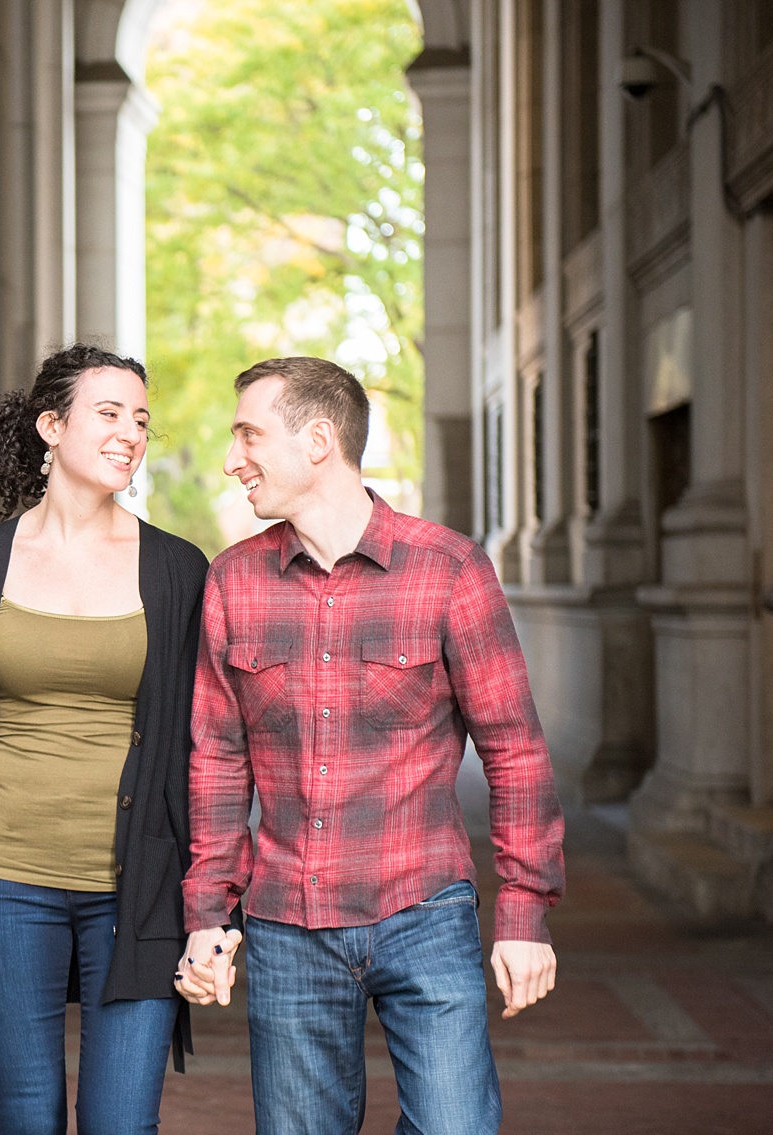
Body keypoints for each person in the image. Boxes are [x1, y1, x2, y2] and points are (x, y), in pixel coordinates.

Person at [173, 357, 565, 1135]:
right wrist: (206, 913)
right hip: (287, 924)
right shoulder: (233, 582)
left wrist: (523, 911)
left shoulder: (448, 568)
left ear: (319, 440)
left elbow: (514, 748)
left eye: (249, 435)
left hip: (423, 907)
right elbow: (217, 759)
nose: (231, 459)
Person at [0, 344, 209, 1135]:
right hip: (3, 882)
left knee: (121, 1121)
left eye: (141, 418)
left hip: (136, 889)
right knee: (27, 1116)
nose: (130, 433)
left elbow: (201, 749)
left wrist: (210, 899)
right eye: (109, 413)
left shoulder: (177, 570)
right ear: (50, 426)